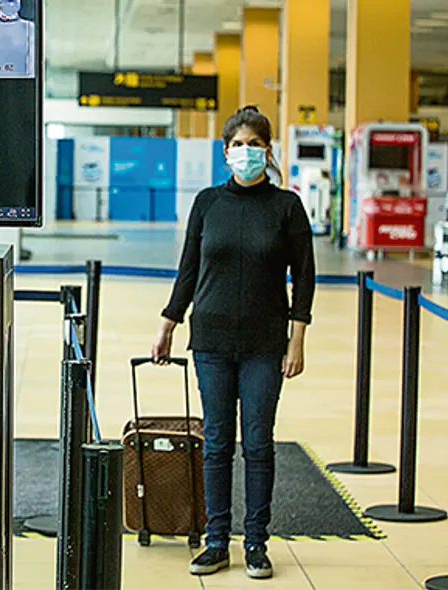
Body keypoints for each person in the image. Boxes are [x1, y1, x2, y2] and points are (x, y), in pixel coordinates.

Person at [151, 106, 315, 580]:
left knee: (259, 443)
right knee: (219, 443)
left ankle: (257, 544)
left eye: (255, 144)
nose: (247, 152)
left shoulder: (287, 207)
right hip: (212, 341)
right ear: (225, 153)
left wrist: (297, 338)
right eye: (238, 145)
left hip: (266, 343)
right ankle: (217, 540)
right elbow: (189, 270)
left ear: (268, 151)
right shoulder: (207, 203)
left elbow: (304, 276)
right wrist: (168, 323)